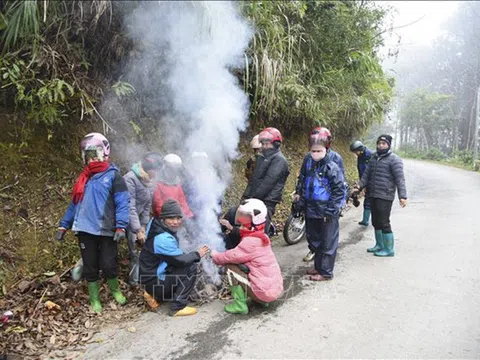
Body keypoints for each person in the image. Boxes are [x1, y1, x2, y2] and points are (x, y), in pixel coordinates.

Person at [56, 132, 129, 313]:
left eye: (93, 155)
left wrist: (121, 225)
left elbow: (122, 203)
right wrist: (64, 224)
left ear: (104, 152)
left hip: (107, 229)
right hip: (84, 229)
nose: (90, 160)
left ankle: (115, 291)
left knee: (108, 263)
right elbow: (75, 204)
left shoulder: (114, 176)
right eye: (86, 156)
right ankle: (94, 299)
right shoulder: (83, 179)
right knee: (90, 265)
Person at [139, 199, 210, 316]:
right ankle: (177, 307)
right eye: (171, 218)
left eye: (178, 218)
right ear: (163, 219)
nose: (176, 222)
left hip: (150, 278)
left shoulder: (156, 224)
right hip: (155, 282)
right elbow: (180, 261)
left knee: (185, 260)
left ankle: (152, 293)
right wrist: (198, 254)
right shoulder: (162, 238)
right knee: (190, 268)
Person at [211, 199, 283, 314]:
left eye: (245, 216)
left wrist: (214, 255)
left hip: (264, 293)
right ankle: (261, 301)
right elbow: (244, 232)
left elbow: (229, 256)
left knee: (230, 267)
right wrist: (230, 227)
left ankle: (240, 305)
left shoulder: (250, 242)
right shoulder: (262, 235)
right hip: (274, 290)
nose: (241, 218)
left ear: (254, 219)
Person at [293, 131, 346, 280]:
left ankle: (326, 272)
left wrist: (331, 210)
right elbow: (303, 181)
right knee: (314, 239)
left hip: (326, 208)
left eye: (319, 151)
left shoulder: (331, 166)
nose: (315, 153)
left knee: (328, 241)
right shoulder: (309, 163)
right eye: (313, 150)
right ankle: (318, 267)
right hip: (312, 206)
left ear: (326, 149)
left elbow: (339, 190)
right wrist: (300, 199)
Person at [354, 135, 407, 257]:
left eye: (384, 143)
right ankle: (379, 245)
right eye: (379, 143)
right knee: (375, 221)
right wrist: (359, 186)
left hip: (385, 195)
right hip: (373, 193)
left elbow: (400, 179)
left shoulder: (395, 159)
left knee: (384, 222)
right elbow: (366, 175)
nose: (381, 145)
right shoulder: (373, 157)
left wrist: (402, 196)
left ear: (388, 145)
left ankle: (389, 249)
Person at [124, 152, 163, 286]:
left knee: (142, 249)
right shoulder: (130, 179)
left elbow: (147, 205)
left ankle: (141, 279)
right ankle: (134, 282)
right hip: (123, 219)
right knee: (134, 249)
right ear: (148, 168)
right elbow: (130, 206)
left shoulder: (149, 181)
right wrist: (137, 229)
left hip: (138, 219)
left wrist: (144, 226)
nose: (156, 174)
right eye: (155, 170)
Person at [242, 127, 290, 234]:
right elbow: (253, 180)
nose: (264, 146)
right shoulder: (262, 157)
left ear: (275, 144)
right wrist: (245, 197)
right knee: (248, 230)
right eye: (262, 143)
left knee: (261, 233)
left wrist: (253, 198)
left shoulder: (279, 160)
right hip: (255, 200)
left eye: (267, 144)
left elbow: (268, 183)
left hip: (267, 201)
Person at [152, 153, 193, 219]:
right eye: (171, 169)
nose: (173, 172)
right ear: (165, 168)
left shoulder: (177, 184)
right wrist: (169, 218)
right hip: (161, 219)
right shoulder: (157, 184)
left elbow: (183, 202)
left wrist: (188, 216)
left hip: (176, 219)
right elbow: (158, 205)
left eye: (175, 170)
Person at [350, 140, 372, 226]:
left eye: (356, 152)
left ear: (361, 149)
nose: (355, 154)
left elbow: (370, 171)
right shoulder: (360, 156)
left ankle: (366, 220)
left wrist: (366, 184)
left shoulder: (370, 155)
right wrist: (361, 184)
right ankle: (365, 220)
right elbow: (361, 170)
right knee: (367, 199)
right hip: (364, 181)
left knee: (369, 200)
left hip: (371, 182)